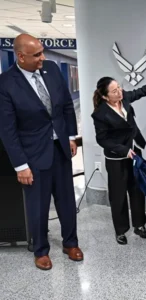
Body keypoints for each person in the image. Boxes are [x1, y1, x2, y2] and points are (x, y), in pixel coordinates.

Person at [0, 34, 83, 270]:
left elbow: (66, 105)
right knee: (38, 205)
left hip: (60, 150)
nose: (42, 58)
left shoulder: (51, 70)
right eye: (36, 55)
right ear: (20, 56)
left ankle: (71, 243)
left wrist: (70, 137)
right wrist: (20, 165)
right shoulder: (6, 83)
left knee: (67, 201)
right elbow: (7, 130)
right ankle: (41, 250)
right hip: (33, 155)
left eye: (42, 52)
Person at [91, 77, 146, 245]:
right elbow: (102, 140)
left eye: (119, 88)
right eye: (114, 91)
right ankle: (121, 230)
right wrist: (124, 151)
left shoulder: (124, 97)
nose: (119, 92)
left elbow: (141, 91)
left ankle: (139, 225)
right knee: (118, 195)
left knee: (137, 191)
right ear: (105, 96)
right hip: (117, 157)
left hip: (134, 151)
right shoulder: (100, 114)